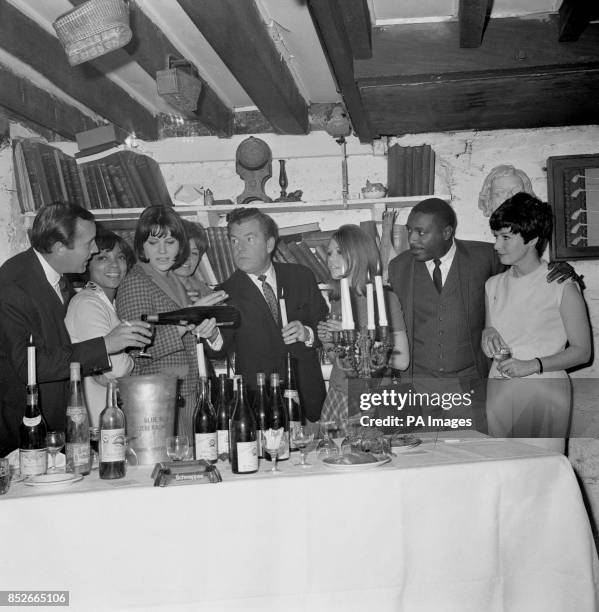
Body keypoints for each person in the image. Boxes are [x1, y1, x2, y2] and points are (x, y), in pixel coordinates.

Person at [388, 197, 579, 432]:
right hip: (419, 387)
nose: (412, 239)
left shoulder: (486, 256)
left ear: (447, 232)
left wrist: (560, 267)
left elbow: (527, 270)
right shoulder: (398, 266)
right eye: (409, 231)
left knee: (479, 458)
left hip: (470, 385)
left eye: (421, 232)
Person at [0, 203, 151, 457]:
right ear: (59, 246)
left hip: (56, 432)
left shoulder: (59, 278)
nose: (93, 251)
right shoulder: (14, 285)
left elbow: (62, 348)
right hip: (22, 438)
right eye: (89, 243)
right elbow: (31, 365)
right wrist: (105, 345)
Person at [482, 193, 591, 452]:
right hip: (500, 389)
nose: (497, 245)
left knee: (539, 478)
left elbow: (582, 351)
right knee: (504, 475)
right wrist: (487, 333)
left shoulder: (561, 285)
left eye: (506, 237)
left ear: (531, 239)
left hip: (544, 390)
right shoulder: (493, 285)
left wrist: (532, 365)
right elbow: (493, 331)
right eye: (496, 236)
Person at [115, 206, 225, 444]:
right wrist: (188, 319)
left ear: (180, 244)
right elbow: (139, 348)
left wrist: (208, 330)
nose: (163, 251)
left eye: (170, 241)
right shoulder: (135, 283)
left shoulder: (174, 279)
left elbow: (190, 333)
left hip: (187, 393)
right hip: (154, 400)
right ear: (141, 246)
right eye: (153, 243)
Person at [218, 207, 327, 422]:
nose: (239, 248)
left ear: (269, 244)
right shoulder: (224, 293)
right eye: (234, 241)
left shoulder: (301, 277)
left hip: (308, 402)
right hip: (258, 405)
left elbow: (324, 326)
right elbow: (218, 347)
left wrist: (307, 333)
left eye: (249, 239)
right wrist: (211, 335)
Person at [317, 225, 409, 434]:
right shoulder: (338, 300)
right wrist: (328, 341)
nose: (331, 259)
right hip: (336, 394)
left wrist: (354, 337)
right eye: (329, 253)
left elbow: (402, 361)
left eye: (340, 252)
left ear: (359, 254)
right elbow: (341, 363)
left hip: (369, 398)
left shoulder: (384, 299)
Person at [65, 226, 137, 426]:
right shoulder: (87, 303)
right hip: (94, 420)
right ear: (88, 264)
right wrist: (133, 358)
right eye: (103, 258)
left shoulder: (112, 304)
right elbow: (115, 368)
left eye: (121, 257)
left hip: (110, 417)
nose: (114, 265)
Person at [173, 219, 213, 303]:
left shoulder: (205, 290)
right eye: (184, 251)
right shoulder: (157, 288)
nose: (188, 258)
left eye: (194, 253)